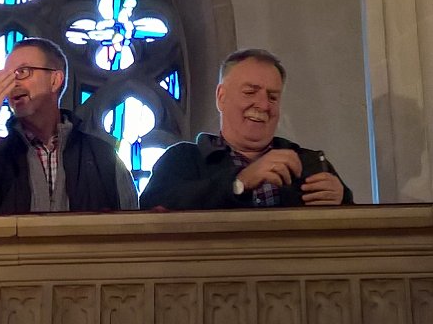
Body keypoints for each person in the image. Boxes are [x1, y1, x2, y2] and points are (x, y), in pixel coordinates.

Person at [140, 48, 353, 210]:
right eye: (250, 92)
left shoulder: (310, 163)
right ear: (221, 97)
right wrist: (239, 182)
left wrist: (341, 199)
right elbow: (154, 207)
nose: (263, 105)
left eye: (273, 97)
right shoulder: (182, 160)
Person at [0, 37, 139, 214]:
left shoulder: (103, 156)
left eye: (23, 72)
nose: (12, 84)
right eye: (6, 76)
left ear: (55, 80)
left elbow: (131, 227)